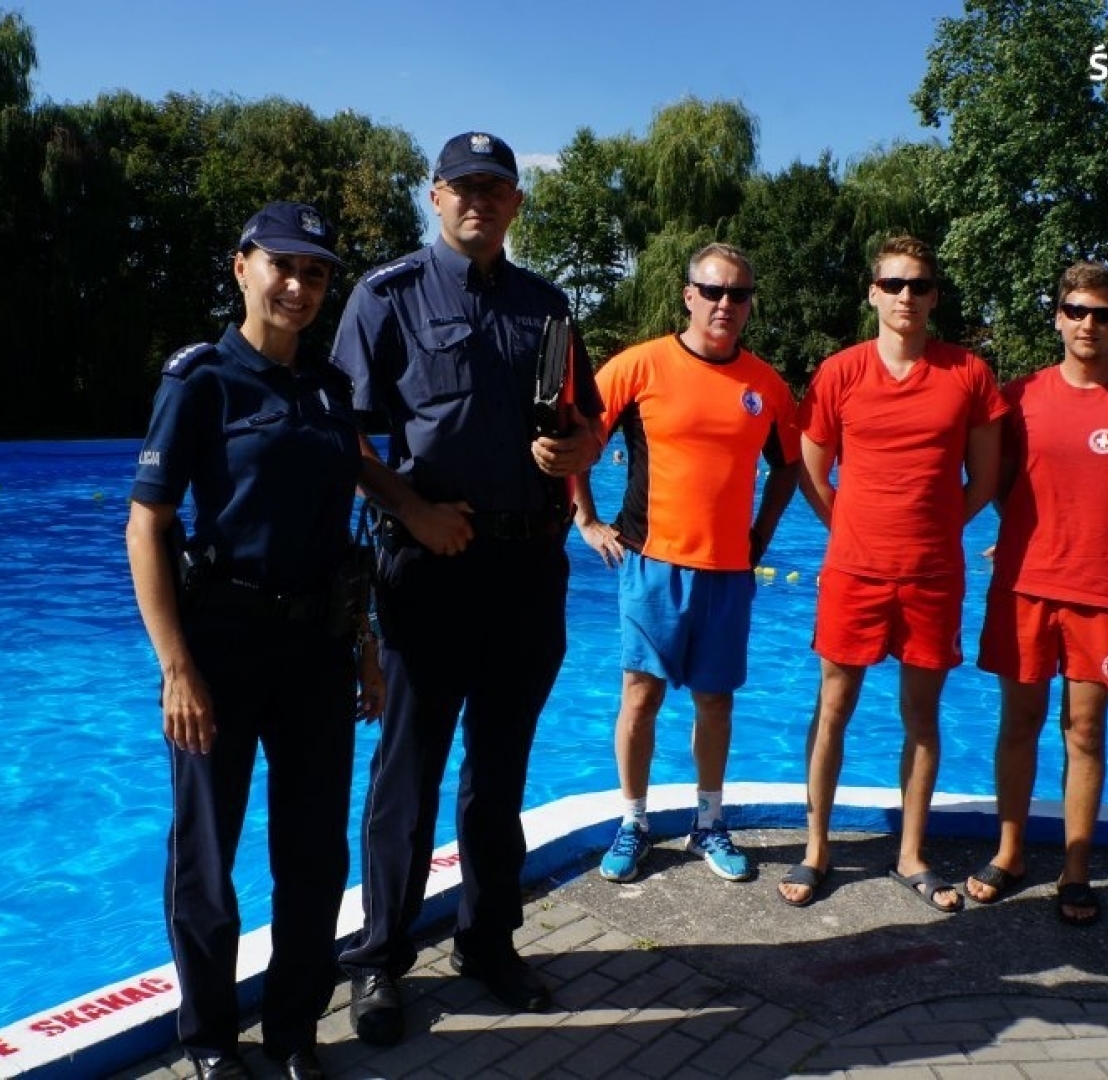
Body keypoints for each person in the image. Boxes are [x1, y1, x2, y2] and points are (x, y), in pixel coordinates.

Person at [330, 131, 605, 1046]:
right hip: (430, 565)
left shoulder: (548, 305)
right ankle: (378, 961)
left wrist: (575, 451)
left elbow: (587, 421)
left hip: (528, 569)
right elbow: (350, 442)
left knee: (499, 774)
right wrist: (411, 512)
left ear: (516, 203)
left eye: (496, 188)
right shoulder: (386, 298)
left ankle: (487, 941)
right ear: (435, 196)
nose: (479, 201)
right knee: (407, 773)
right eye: (463, 187)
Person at [126, 200, 383, 1080]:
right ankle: (206, 1040)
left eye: (315, 273)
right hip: (221, 647)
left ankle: (293, 1033)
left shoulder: (331, 391)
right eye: (283, 266)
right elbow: (147, 525)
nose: (299, 285)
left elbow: (342, 529)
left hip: (317, 650)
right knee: (207, 856)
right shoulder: (201, 380)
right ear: (242, 267)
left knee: (314, 857)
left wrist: (366, 646)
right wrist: (177, 668)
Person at [779, 236, 1006, 911]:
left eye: (919, 285)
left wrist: (935, 529)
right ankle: (817, 847)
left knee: (922, 717)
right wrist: (853, 531)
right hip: (855, 572)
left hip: (933, 574)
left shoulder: (968, 373)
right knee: (833, 710)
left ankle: (911, 852)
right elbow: (812, 475)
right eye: (894, 284)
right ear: (873, 292)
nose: (907, 296)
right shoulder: (839, 373)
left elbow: (986, 477)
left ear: (934, 296)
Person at [573, 243, 801, 886]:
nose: (726, 304)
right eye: (714, 291)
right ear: (689, 294)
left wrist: (762, 532)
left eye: (739, 294)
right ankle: (634, 823)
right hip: (652, 564)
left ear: (750, 303)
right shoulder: (638, 366)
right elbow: (579, 440)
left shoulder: (765, 384)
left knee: (716, 701)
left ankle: (708, 821)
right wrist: (585, 520)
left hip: (729, 570)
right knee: (639, 697)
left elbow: (789, 463)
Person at [967, 262, 1108, 927]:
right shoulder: (1017, 395)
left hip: (1101, 593)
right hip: (1025, 586)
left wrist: (1101, 542)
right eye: (1077, 310)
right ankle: (1009, 854)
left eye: (1103, 313)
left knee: (1085, 730)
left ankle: (1077, 868)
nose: (1089, 323)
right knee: (1020, 723)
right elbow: (997, 483)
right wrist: (1036, 533)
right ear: (1057, 316)